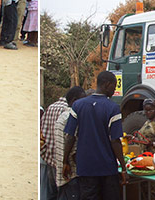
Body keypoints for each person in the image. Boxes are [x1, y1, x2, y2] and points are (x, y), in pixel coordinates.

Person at [60, 71, 124, 199]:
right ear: (107, 84)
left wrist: (65, 161)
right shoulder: (113, 108)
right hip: (107, 168)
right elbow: (115, 141)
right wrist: (124, 168)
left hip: (85, 167)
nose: (114, 90)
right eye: (114, 86)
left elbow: (70, 137)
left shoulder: (78, 105)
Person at [39, 86, 84, 199]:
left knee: (51, 195)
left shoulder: (51, 107)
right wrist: (65, 162)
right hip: (67, 166)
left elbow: (43, 134)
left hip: (50, 159)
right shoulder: (70, 113)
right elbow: (70, 139)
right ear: (74, 100)